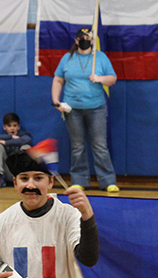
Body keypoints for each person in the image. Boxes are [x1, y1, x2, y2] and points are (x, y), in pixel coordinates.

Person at [51, 27, 119, 193]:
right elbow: (58, 80)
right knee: (77, 146)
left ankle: (108, 181)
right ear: (76, 40)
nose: (85, 40)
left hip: (96, 108)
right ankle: (79, 180)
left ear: (92, 40)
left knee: (99, 145)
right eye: (82, 37)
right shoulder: (67, 58)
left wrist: (99, 78)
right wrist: (55, 100)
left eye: (88, 37)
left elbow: (112, 79)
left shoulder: (100, 58)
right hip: (72, 109)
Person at [0, 112, 33, 189]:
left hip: (20, 172)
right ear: (4, 127)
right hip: (7, 171)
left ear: (18, 127)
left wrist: (6, 142)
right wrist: (11, 137)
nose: (12, 128)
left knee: (26, 146)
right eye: (9, 126)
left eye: (14, 126)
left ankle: (26, 178)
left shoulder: (24, 135)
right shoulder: (2, 136)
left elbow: (27, 140)